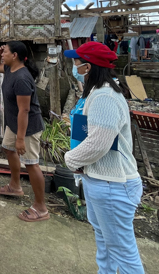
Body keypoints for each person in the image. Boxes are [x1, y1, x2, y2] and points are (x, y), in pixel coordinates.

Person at [63, 42, 144, 273]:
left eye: (76, 63)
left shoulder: (104, 97)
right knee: (107, 244)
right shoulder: (100, 93)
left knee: (123, 253)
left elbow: (98, 144)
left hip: (113, 185)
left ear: (87, 68)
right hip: (103, 181)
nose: (74, 67)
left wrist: (71, 159)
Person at [0, 41, 48, 222]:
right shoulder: (9, 69)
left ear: (14, 55)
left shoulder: (22, 78)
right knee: (8, 149)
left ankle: (41, 208)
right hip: (14, 123)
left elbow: (25, 110)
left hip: (27, 127)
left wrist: (21, 139)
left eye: (5, 51)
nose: (3, 54)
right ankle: (15, 186)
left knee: (31, 164)